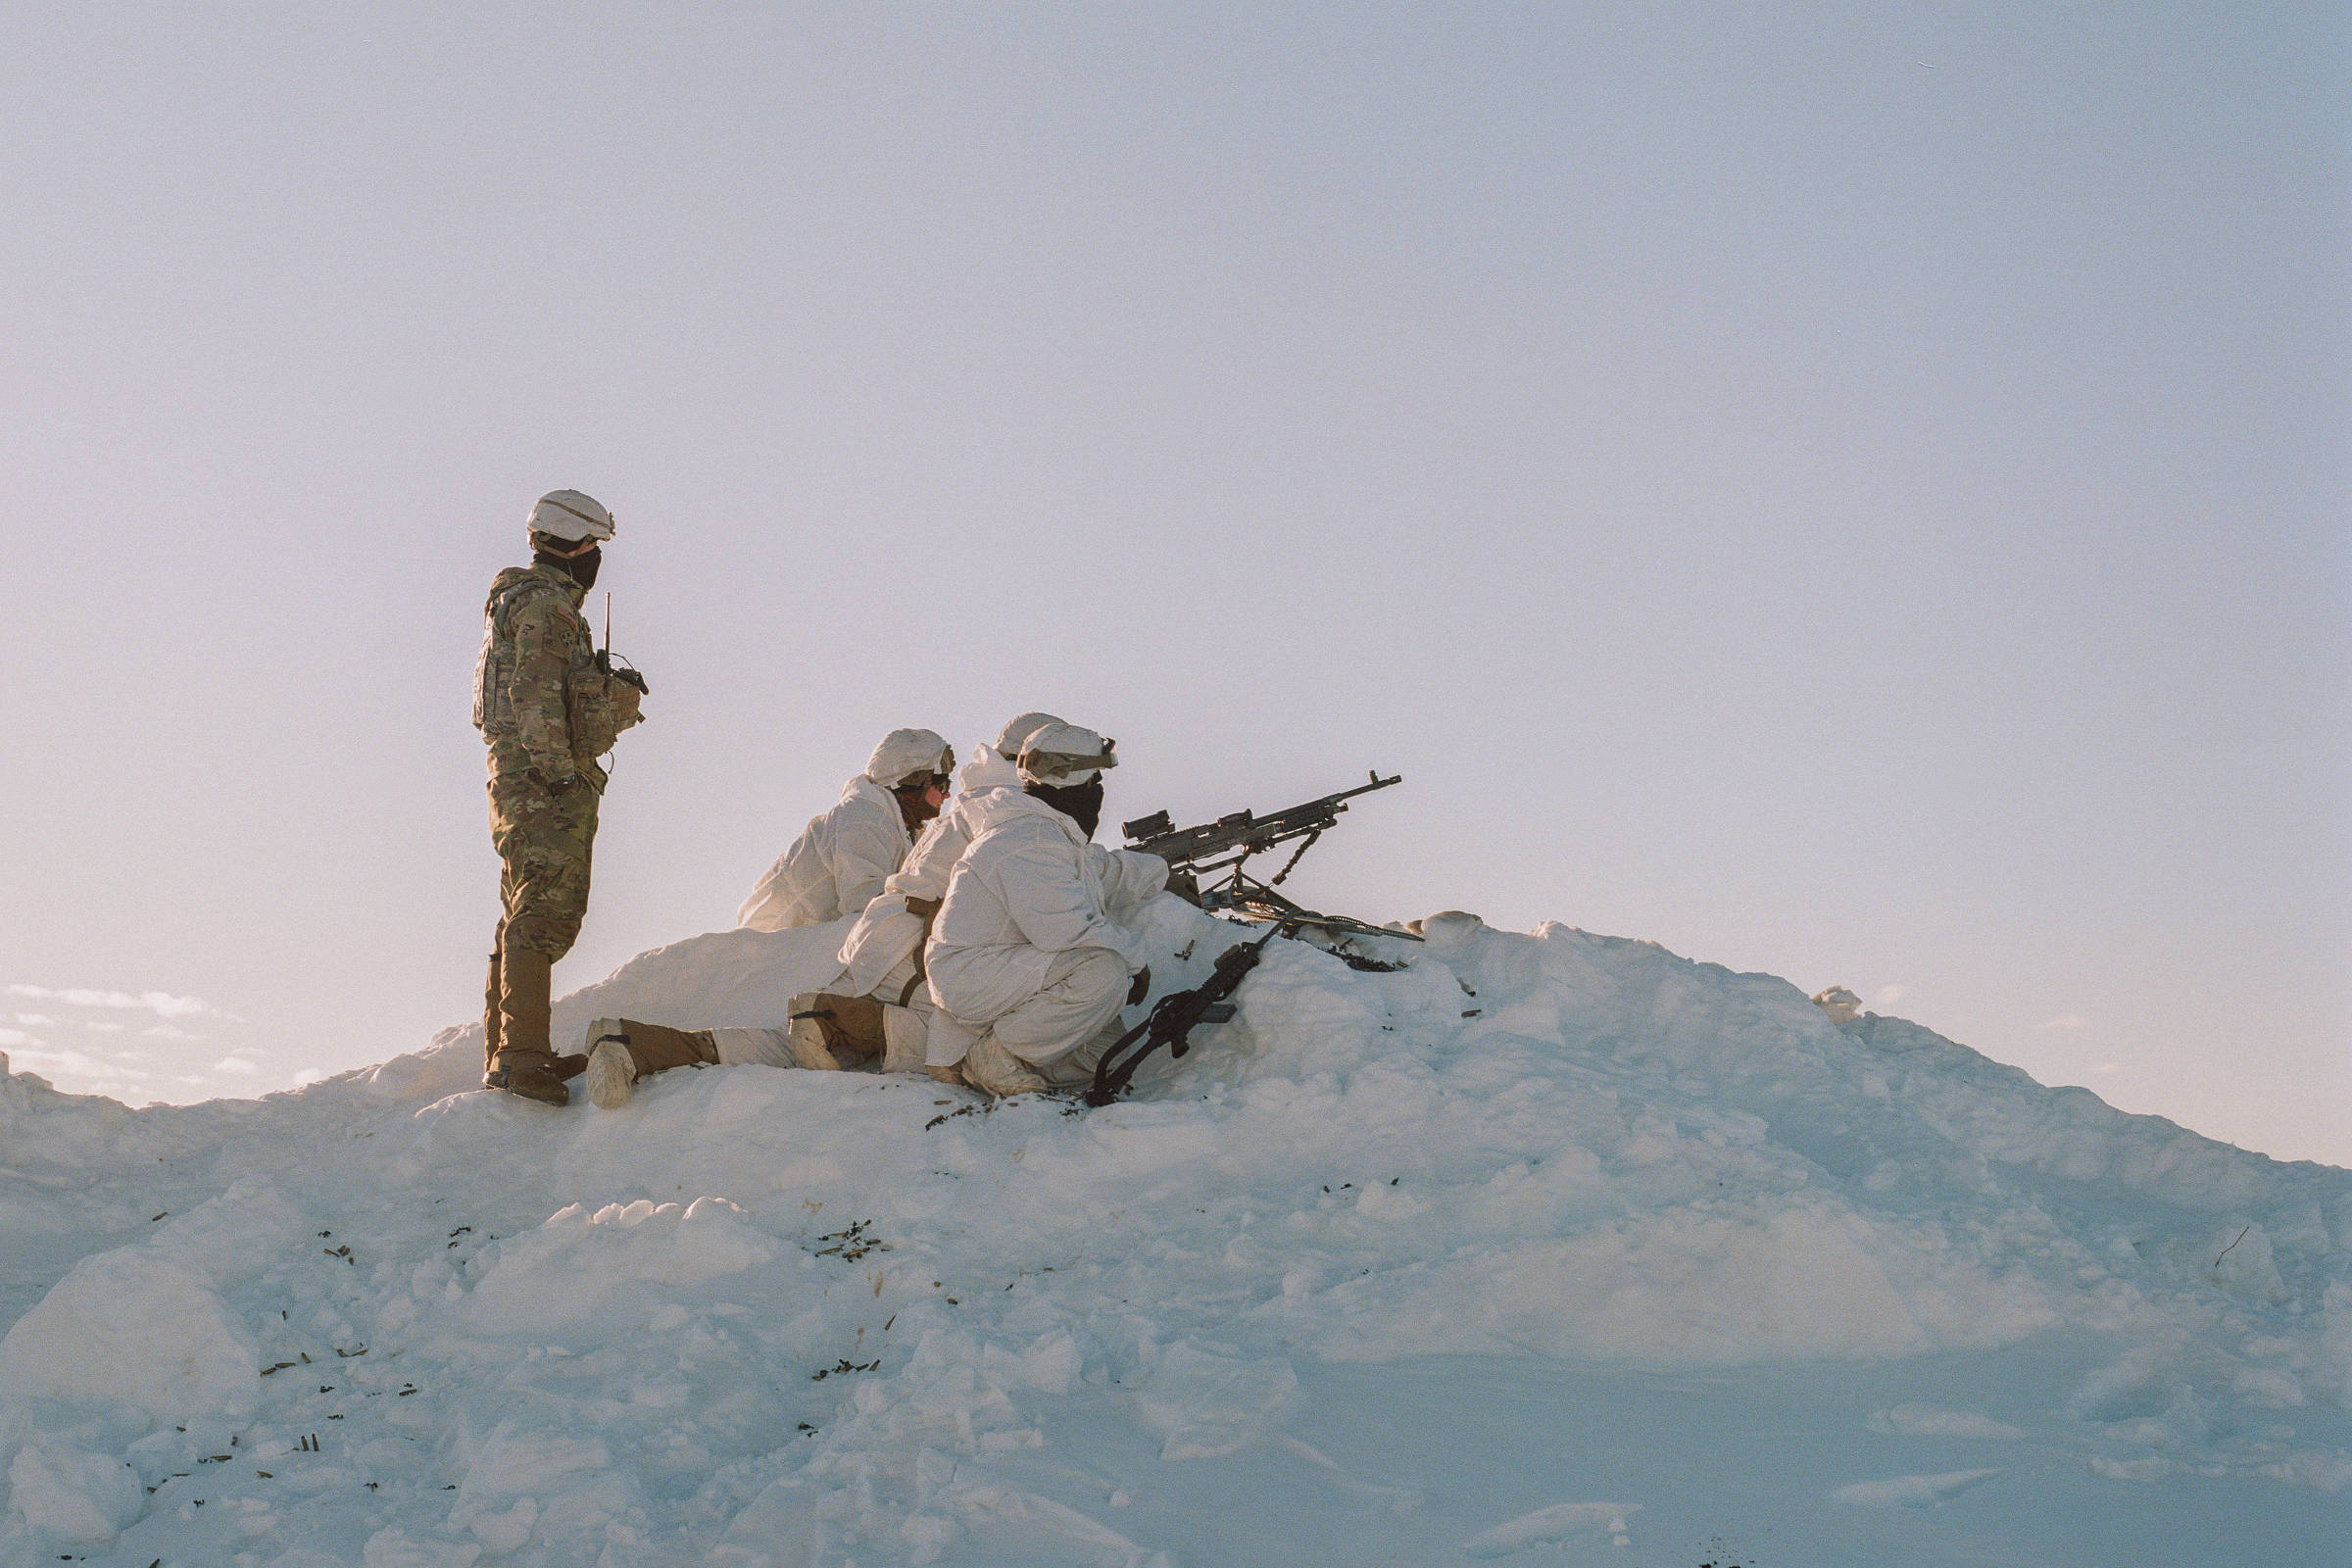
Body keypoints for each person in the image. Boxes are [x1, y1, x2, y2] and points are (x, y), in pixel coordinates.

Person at [578, 729, 951, 1108]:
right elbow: (864, 901)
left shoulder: (893, 823)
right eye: (940, 781)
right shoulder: (864, 817)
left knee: (782, 1045)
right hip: (790, 948)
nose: (947, 793)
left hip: (818, 948)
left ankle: (628, 1046)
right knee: (800, 1038)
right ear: (909, 780)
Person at [473, 489, 645, 1104]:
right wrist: (559, 772)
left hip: (520, 776)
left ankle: (513, 1054)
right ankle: (520, 1059)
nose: (597, 558)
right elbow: (535, 692)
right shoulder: (546, 608)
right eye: (595, 546)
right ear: (575, 545)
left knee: (525, 908)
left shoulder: (526, 603)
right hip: (541, 778)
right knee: (542, 911)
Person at [923, 724, 1170, 1097]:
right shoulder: (1028, 840)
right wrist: (1136, 960)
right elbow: (1067, 931)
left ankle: (1011, 1059)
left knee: (1110, 1056)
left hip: (1001, 968)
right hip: (972, 973)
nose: (1099, 792)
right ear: (1078, 783)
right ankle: (995, 1057)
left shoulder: (1044, 833)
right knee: (1103, 971)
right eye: (1096, 781)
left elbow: (1104, 873)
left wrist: (1161, 872)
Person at [836, 711, 1063, 1087]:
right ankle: (850, 1026)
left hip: (903, 941)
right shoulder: (1002, 803)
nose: (946, 792)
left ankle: (851, 1024)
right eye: (937, 782)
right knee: (1002, 1012)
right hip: (906, 945)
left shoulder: (987, 799)